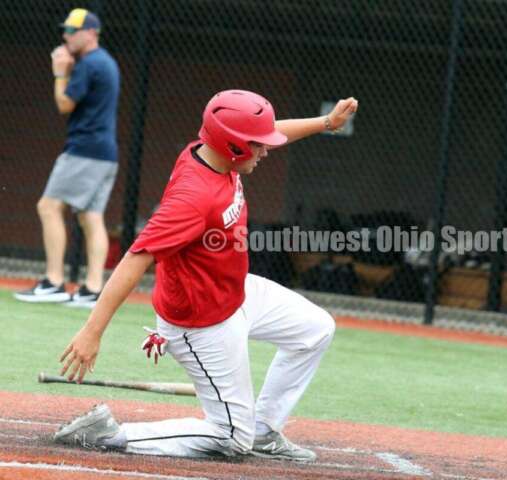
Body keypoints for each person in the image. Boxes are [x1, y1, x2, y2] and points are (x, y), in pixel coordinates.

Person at [53, 90, 359, 461]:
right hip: (200, 322)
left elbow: (269, 129)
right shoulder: (193, 198)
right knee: (231, 439)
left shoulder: (214, 150)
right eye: (258, 146)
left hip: (234, 292)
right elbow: (136, 258)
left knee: (315, 330)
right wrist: (92, 331)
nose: (266, 150)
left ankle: (264, 430)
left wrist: (327, 123)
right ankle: (110, 434)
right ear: (233, 145)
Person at [14, 8, 120, 308]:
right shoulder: (107, 63)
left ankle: (54, 282)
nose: (66, 36)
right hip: (105, 153)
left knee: (48, 206)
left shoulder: (89, 64)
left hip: (85, 150)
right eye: (66, 31)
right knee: (90, 216)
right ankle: (93, 289)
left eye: (72, 31)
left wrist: (60, 72)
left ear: (91, 33)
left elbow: (64, 104)